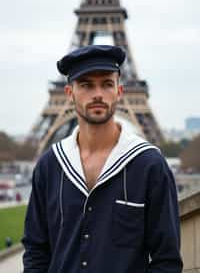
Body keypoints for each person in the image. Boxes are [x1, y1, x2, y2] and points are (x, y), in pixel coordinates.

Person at [22, 45, 183, 272]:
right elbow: (36, 250)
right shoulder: (49, 166)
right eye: (86, 84)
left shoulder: (150, 165)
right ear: (69, 93)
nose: (97, 93)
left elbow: (166, 259)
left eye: (107, 84)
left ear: (119, 91)